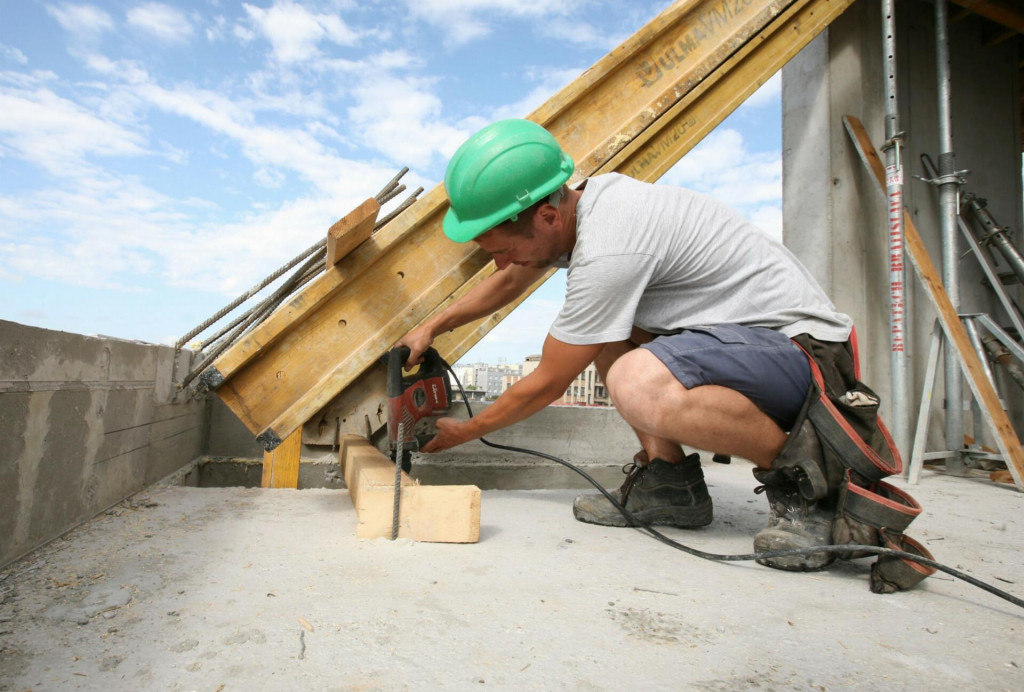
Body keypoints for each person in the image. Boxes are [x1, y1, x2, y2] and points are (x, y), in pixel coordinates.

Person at [396, 118, 856, 572]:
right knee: (602, 333)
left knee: (636, 381)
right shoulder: (584, 208)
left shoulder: (610, 248)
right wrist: (433, 327)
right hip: (745, 346)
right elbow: (513, 276)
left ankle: (816, 490)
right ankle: (670, 486)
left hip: (803, 354)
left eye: (501, 248)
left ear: (548, 216)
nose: (500, 262)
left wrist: (464, 432)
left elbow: (547, 383)